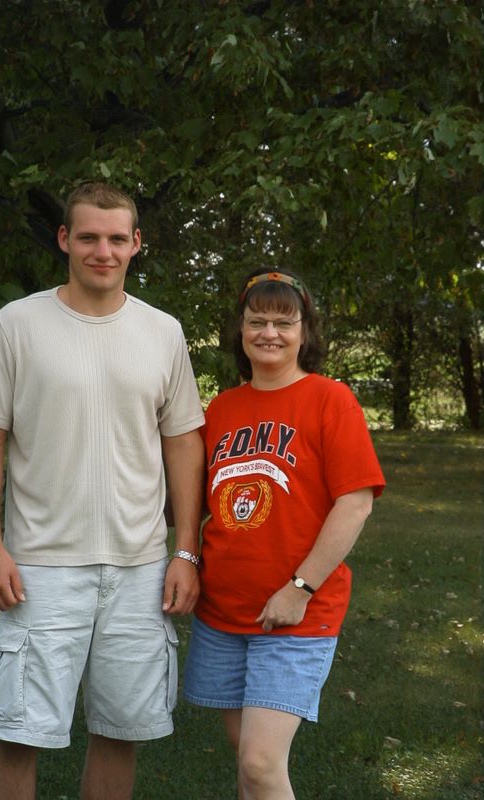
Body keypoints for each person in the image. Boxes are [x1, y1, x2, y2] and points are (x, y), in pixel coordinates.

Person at [0, 181, 205, 800]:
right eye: (90, 236)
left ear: (136, 244)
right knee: (19, 735)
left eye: (117, 238)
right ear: (65, 238)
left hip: (141, 569)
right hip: (40, 568)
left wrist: (185, 550)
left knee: (119, 731)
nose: (104, 250)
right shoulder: (17, 325)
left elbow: (182, 442)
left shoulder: (163, 332)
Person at [183, 268, 386, 800]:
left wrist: (300, 587)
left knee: (259, 763)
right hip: (223, 612)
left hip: (297, 613)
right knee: (250, 763)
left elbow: (356, 502)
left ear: (305, 332)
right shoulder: (221, 409)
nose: (269, 332)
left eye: (283, 321)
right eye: (256, 321)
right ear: (240, 331)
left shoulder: (329, 399)